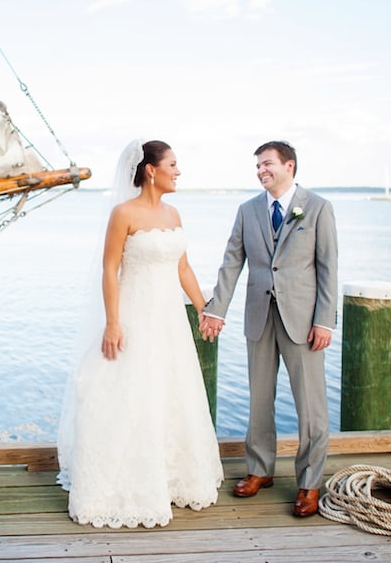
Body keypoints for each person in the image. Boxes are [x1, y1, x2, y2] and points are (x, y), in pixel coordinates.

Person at [57, 139, 223, 528]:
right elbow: (109, 269)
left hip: (169, 322)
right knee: (130, 392)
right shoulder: (123, 213)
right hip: (135, 316)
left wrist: (204, 309)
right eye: (173, 164)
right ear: (151, 170)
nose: (178, 171)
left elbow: (183, 268)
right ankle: (125, 483)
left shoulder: (174, 213)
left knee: (170, 391)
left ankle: (168, 477)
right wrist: (113, 322)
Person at [199, 140, 337, 518]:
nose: (261, 170)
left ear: (289, 166)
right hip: (259, 316)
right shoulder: (247, 211)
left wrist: (325, 320)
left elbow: (328, 269)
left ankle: (309, 482)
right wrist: (216, 310)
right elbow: (232, 263)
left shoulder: (318, 208)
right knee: (259, 399)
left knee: (311, 407)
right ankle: (260, 470)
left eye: (268, 164)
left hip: (304, 322)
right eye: (258, 165)